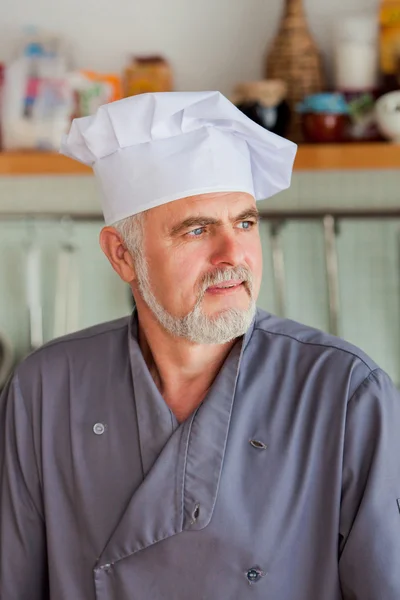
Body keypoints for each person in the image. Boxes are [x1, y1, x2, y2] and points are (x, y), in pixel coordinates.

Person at [0, 91, 399, 600]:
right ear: (123, 256)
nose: (233, 255)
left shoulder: (345, 393)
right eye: (197, 229)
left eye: (246, 223)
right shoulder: (46, 389)